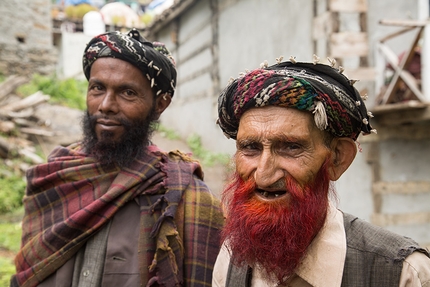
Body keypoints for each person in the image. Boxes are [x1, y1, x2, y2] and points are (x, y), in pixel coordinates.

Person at [11, 29, 224, 287]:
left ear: (160, 105)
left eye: (127, 93)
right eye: (98, 88)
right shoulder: (53, 179)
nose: (106, 105)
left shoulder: (186, 199)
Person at [213, 58, 430, 287]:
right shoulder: (230, 259)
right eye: (250, 148)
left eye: (291, 147)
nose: (264, 175)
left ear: (336, 158)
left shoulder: (403, 274)